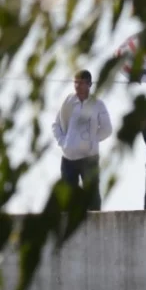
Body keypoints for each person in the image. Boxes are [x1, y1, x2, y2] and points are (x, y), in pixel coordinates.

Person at [51, 70, 113, 211]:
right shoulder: (68, 101)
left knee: (92, 196)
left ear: (89, 84)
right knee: (67, 197)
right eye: (76, 82)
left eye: (81, 83)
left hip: (89, 158)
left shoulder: (98, 104)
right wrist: (64, 142)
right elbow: (56, 125)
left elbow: (107, 129)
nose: (78, 86)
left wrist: (93, 140)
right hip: (69, 158)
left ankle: (96, 227)